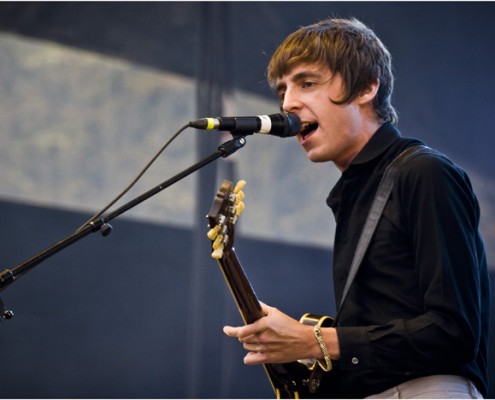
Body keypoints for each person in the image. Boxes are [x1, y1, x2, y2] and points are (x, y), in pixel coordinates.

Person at [223, 18, 490, 398]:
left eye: (307, 83)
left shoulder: (423, 172)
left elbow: (454, 332)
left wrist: (315, 341)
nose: (287, 103)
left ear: (367, 87)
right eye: (282, 90)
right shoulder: (356, 192)